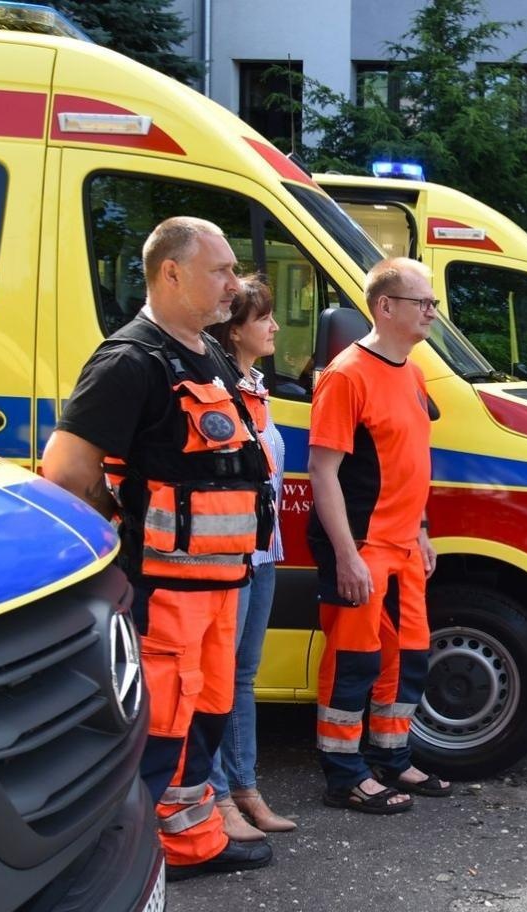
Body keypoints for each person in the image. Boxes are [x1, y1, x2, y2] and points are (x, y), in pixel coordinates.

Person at [41, 217, 276, 912]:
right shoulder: (129, 361)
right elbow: (66, 473)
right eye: (220, 270)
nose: (234, 284)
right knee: (149, 755)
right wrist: (126, 548)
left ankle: (192, 843)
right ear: (170, 274)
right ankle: (131, 904)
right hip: (162, 602)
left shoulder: (206, 352)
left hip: (215, 593)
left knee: (196, 737)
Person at [309, 256, 449, 812]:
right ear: (385, 306)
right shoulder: (346, 375)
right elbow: (323, 472)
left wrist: (422, 530)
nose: (432, 312)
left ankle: (391, 758)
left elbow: (409, 460)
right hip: (362, 545)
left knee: (408, 655)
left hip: (403, 544)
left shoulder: (411, 371)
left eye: (433, 303)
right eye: (423, 302)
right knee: (354, 659)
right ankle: (344, 775)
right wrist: (346, 556)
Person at [206, 276, 296, 839]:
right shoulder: (217, 387)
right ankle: (217, 798)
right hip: (231, 552)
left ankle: (244, 788)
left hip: (263, 551)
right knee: (218, 677)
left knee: (243, 675)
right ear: (234, 330)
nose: (275, 327)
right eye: (264, 318)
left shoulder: (255, 386)